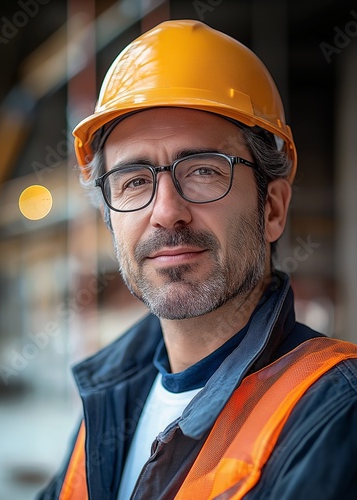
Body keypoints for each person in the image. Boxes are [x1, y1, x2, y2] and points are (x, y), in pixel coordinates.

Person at [38, 19, 357, 500]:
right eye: (134, 181)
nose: (166, 212)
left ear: (272, 208)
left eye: (205, 170)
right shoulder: (109, 397)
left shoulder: (334, 410)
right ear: (109, 217)